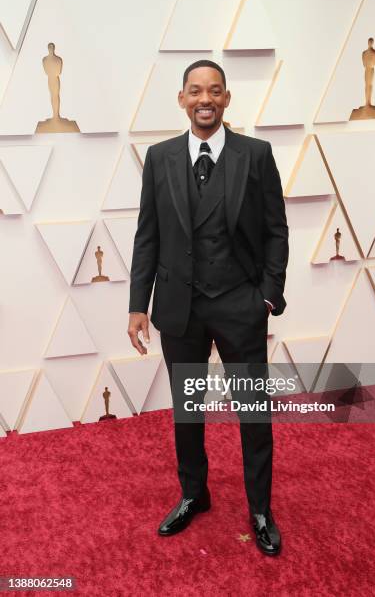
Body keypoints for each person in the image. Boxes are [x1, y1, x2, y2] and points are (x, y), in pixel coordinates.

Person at [127, 60, 289, 556]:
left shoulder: (256, 155)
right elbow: (147, 234)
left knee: (253, 413)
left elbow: (275, 230)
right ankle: (194, 495)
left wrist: (265, 295)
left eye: (214, 91)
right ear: (182, 99)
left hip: (240, 304)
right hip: (181, 307)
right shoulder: (160, 158)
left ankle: (259, 508)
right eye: (195, 91)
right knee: (187, 411)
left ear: (226, 98)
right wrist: (138, 304)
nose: (205, 99)